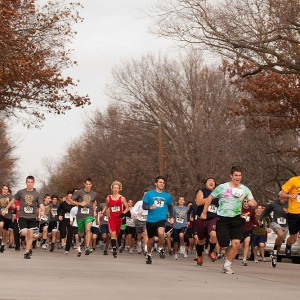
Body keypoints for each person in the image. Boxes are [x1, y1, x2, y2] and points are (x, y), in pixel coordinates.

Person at [201, 166, 257, 274]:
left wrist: (252, 204)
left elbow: (254, 203)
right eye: (236, 175)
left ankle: (227, 265)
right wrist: (204, 212)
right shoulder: (222, 187)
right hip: (223, 219)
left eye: (240, 175)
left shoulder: (245, 189)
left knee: (236, 243)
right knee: (224, 245)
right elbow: (209, 198)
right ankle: (223, 253)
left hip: (237, 219)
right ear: (231, 176)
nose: (238, 177)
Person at [2, 176, 45, 259]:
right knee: (24, 233)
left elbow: (41, 204)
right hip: (22, 216)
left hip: (32, 217)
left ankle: (27, 252)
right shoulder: (21, 192)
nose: (30, 184)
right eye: (28, 182)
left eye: (31, 182)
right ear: (26, 183)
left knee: (30, 234)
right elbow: (12, 201)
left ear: (34, 183)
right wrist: (6, 209)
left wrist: (42, 211)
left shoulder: (37, 194)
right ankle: (28, 247)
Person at [142, 175, 173, 264]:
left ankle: (160, 248)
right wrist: (149, 207)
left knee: (161, 233)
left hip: (161, 218)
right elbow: (144, 206)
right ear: (156, 183)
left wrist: (171, 217)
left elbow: (170, 207)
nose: (162, 184)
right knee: (150, 240)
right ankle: (148, 254)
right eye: (160, 182)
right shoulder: (149, 194)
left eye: (163, 182)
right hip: (151, 220)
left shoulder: (167, 196)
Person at [70, 178, 98, 256]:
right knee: (81, 233)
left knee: (88, 229)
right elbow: (70, 201)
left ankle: (87, 247)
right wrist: (80, 204)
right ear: (84, 184)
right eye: (87, 184)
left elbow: (94, 203)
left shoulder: (94, 193)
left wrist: (95, 211)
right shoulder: (79, 192)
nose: (88, 186)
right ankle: (80, 237)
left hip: (89, 214)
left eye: (89, 184)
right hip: (80, 215)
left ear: (91, 185)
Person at [100, 181, 129, 258]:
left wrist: (123, 213)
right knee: (113, 233)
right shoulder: (109, 198)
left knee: (116, 234)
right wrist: (102, 212)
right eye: (114, 188)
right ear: (112, 189)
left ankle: (113, 244)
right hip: (111, 218)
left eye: (117, 188)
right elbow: (107, 206)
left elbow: (127, 208)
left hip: (119, 219)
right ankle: (114, 249)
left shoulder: (122, 198)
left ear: (119, 189)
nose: (115, 189)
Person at [194, 177, 219, 266]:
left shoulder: (218, 193)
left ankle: (210, 251)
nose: (211, 182)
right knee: (201, 240)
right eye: (209, 181)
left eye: (213, 181)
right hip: (202, 218)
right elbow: (198, 202)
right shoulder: (202, 191)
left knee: (213, 234)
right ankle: (200, 255)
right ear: (205, 183)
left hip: (213, 218)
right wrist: (210, 198)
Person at [279, 176, 300, 257]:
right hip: (293, 213)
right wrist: (290, 196)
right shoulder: (293, 180)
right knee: (293, 239)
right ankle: (288, 245)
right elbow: (281, 194)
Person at [240, 199, 259, 266]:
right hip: (238, 230)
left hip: (247, 230)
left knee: (247, 243)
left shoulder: (251, 210)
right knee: (236, 246)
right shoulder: (238, 209)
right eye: (244, 201)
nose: (246, 203)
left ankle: (244, 259)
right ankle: (226, 256)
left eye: (247, 201)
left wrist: (258, 223)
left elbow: (253, 219)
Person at [0, 184, 13, 253]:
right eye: (3, 189)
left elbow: (13, 207)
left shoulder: (10, 196)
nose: (4, 190)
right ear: (1, 189)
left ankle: (3, 244)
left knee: (6, 232)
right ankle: (0, 237)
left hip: (8, 216)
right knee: (0, 225)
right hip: (1, 214)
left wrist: (9, 203)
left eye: (6, 189)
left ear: (8, 190)